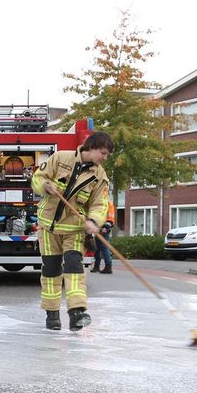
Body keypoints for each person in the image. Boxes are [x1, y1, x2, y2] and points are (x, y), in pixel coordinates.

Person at [31, 131, 113, 331]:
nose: (104, 158)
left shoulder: (100, 176)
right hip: (48, 226)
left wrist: (94, 220)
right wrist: (44, 185)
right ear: (91, 147)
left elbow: (100, 204)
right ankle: (52, 314)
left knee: (74, 269)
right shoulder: (60, 158)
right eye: (103, 153)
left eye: (107, 155)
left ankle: (76, 313)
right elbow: (37, 178)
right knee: (50, 271)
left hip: (75, 229)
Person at [91, 200, 115, 274]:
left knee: (104, 247)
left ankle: (108, 267)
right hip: (98, 227)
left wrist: (106, 226)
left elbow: (110, 215)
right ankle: (97, 266)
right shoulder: (104, 200)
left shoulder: (107, 202)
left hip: (103, 227)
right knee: (97, 247)